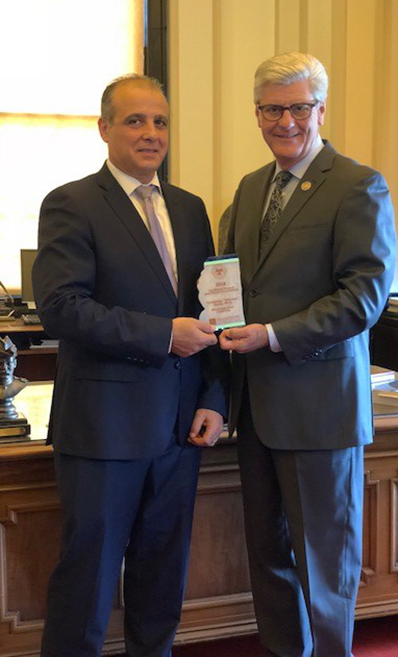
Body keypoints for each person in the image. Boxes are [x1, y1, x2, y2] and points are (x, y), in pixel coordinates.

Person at [32, 74, 228, 657]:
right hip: (103, 428)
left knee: (162, 574)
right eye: (135, 121)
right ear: (104, 129)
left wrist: (213, 398)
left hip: (179, 431)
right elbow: (61, 309)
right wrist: (163, 336)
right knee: (87, 580)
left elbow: (212, 311)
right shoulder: (72, 202)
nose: (150, 133)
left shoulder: (191, 210)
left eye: (160, 121)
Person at [219, 52, 396, 657]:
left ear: (320, 110)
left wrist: (272, 334)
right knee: (268, 557)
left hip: (320, 408)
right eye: (272, 109)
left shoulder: (357, 185)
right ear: (258, 114)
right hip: (255, 411)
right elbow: (227, 283)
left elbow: (363, 298)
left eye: (298, 107)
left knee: (324, 562)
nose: (285, 121)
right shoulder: (248, 190)